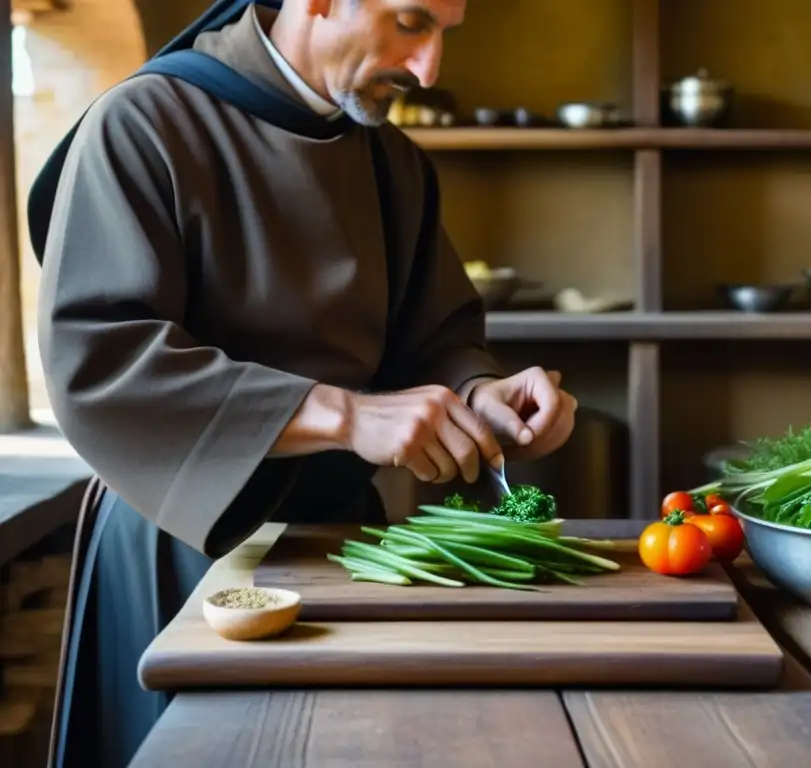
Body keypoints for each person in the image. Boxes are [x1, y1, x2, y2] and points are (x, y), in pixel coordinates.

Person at [31, 1, 577, 765]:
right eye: (412, 22)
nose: (428, 70)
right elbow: (101, 362)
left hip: (347, 544)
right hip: (183, 545)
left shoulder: (394, 163)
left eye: (444, 34)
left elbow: (434, 340)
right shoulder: (144, 123)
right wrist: (344, 415)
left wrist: (483, 393)